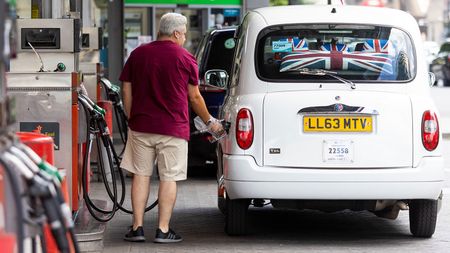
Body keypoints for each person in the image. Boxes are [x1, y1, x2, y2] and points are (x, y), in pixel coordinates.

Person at [119, 12, 224, 243]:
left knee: (141, 175)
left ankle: (137, 228)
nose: (185, 37)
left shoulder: (138, 54)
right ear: (176, 33)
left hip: (141, 126)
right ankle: (163, 230)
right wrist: (209, 121)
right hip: (173, 129)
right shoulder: (185, 58)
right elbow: (195, 97)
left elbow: (126, 89)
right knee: (168, 178)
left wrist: (131, 116)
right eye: (184, 33)